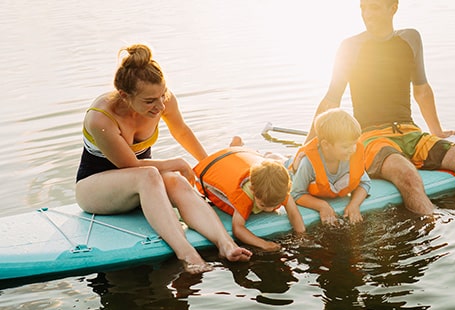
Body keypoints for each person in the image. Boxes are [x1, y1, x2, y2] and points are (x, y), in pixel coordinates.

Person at [310, 0, 455, 215]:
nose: (366, 14)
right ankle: (434, 234)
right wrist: (307, 149)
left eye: (374, 7)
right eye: (363, 7)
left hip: (410, 133)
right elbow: (330, 102)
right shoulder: (350, 47)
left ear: (393, 8)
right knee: (407, 173)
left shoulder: (410, 39)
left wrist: (436, 131)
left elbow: (422, 90)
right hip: (370, 138)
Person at [76, 44, 252, 273]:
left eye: (162, 95)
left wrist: (208, 166)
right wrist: (177, 163)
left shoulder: (162, 100)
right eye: (150, 101)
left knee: (176, 181)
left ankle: (226, 245)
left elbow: (181, 132)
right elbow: (130, 165)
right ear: (124, 96)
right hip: (94, 189)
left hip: (141, 183)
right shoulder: (101, 118)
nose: (160, 106)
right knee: (149, 174)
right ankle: (188, 255)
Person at [195, 136, 306, 251]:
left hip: (241, 154)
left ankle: (234, 147)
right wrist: (263, 244)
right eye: (263, 205)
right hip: (212, 167)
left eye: (274, 205)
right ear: (253, 190)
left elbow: (294, 213)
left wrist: (301, 236)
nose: (269, 210)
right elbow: (237, 229)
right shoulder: (244, 196)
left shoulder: (278, 189)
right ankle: (234, 148)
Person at [291, 109, 372, 226]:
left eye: (354, 144)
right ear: (325, 145)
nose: (352, 149)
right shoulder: (308, 163)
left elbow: (364, 183)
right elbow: (296, 194)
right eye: (346, 146)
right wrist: (322, 206)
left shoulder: (351, 155)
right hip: (294, 170)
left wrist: (354, 204)